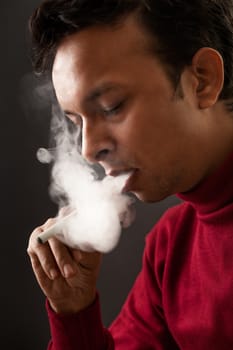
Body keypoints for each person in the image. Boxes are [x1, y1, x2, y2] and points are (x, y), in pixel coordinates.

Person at [27, 1, 233, 349]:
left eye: (112, 106)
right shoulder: (170, 250)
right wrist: (74, 313)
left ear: (202, 80)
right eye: (76, 122)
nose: (88, 150)